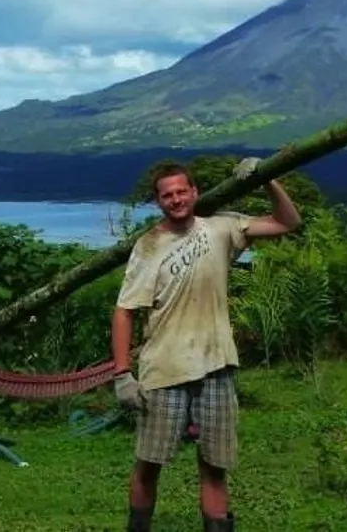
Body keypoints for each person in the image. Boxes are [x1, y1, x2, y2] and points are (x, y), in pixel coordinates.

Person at [110, 157, 303, 531]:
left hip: (216, 366)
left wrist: (267, 178)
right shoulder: (148, 246)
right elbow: (124, 311)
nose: (177, 199)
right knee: (149, 463)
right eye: (168, 195)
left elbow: (288, 222)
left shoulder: (222, 228)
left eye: (183, 191)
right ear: (159, 201)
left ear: (195, 192)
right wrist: (122, 374)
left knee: (214, 467)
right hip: (164, 370)